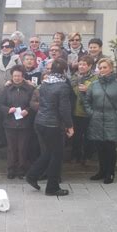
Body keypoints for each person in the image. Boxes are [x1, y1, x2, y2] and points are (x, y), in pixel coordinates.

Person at [26, 58, 74, 196]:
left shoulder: (45, 82)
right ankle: (52, 187)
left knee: (49, 152)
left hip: (40, 121)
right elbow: (64, 108)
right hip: (53, 124)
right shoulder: (63, 85)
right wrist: (70, 126)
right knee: (57, 155)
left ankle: (32, 175)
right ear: (65, 71)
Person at [82, 57, 117, 184]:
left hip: (111, 119)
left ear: (110, 68)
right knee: (99, 147)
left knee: (110, 148)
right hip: (96, 119)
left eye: (105, 67)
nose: (102, 70)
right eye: (100, 67)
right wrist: (91, 113)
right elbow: (87, 101)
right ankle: (101, 171)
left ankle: (110, 173)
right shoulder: (94, 84)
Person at [0, 65, 35, 179]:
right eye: (15, 76)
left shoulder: (29, 89)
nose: (17, 78)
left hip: (25, 123)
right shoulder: (7, 89)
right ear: (11, 77)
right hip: (10, 123)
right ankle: (11, 169)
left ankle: (21, 169)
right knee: (11, 148)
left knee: (23, 147)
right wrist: (8, 110)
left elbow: (33, 104)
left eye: (19, 76)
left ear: (23, 77)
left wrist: (27, 111)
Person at [0, 38, 22, 147]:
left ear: (12, 48)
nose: (4, 48)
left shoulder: (17, 59)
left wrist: (13, 82)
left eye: (7, 46)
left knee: (12, 116)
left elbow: (20, 73)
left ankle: (11, 141)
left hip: (12, 91)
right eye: (2, 46)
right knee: (0, 117)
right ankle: (1, 140)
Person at [70, 55, 97, 165]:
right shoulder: (74, 77)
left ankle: (87, 156)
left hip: (88, 111)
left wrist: (88, 89)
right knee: (76, 136)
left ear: (90, 66)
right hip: (75, 111)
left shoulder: (95, 79)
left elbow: (98, 93)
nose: (81, 66)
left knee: (88, 136)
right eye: (80, 64)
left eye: (84, 64)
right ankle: (75, 155)